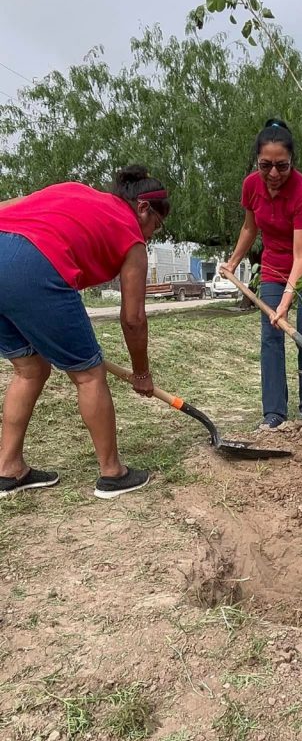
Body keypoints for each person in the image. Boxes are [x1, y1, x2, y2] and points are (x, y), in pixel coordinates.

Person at [0, 165, 170, 499]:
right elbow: (133, 319)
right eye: (156, 226)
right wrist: (141, 373)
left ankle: (8, 469)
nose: (150, 234)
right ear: (143, 208)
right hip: (36, 265)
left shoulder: (76, 191)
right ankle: (113, 473)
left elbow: (8, 207)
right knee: (89, 375)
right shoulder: (132, 237)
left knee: (30, 368)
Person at [222, 119, 302, 428]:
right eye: (265, 165)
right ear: (257, 161)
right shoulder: (251, 186)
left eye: (281, 166)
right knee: (271, 336)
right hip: (273, 267)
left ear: (292, 161)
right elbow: (249, 226)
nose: (273, 174)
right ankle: (274, 413)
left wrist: (285, 302)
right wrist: (232, 262)